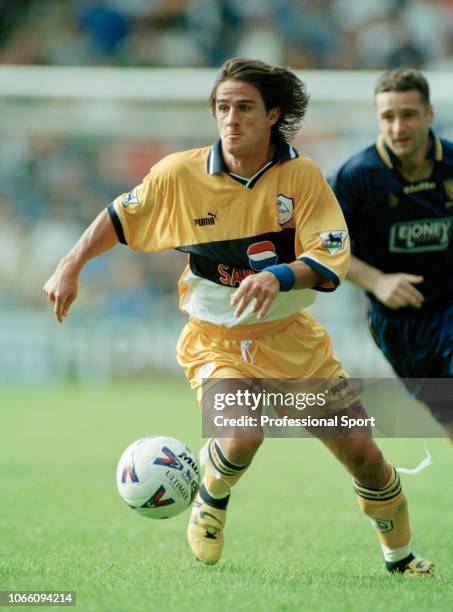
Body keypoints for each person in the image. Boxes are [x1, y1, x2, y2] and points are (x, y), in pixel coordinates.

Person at [44, 58, 432, 575]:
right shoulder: (179, 174)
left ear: (273, 114)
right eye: (222, 107)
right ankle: (212, 494)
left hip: (293, 342)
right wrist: (70, 265)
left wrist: (280, 276)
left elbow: (330, 254)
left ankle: (400, 558)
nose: (231, 118)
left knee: (366, 457)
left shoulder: (302, 176)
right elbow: (119, 216)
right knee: (243, 434)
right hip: (215, 341)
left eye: (244, 107)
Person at [328, 67, 453, 438]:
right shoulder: (357, 177)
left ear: (429, 114)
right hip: (398, 323)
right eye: (388, 117)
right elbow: (323, 245)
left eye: (408, 115)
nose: (398, 127)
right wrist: (377, 280)